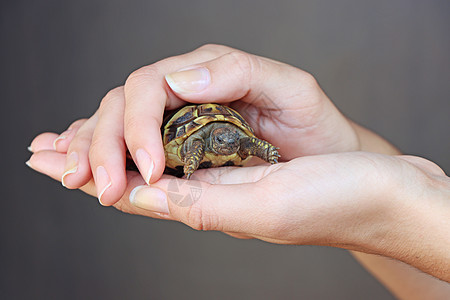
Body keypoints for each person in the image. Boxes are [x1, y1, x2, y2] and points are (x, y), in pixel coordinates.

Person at [27, 44, 450, 297]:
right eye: (226, 141)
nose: (231, 145)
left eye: (234, 141)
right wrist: (351, 153)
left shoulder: (238, 140)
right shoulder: (204, 141)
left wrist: (399, 206)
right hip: (187, 139)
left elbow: (252, 144)